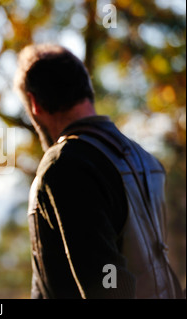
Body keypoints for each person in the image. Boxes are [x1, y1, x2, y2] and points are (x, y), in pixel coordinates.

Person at [14, 43, 183, 299]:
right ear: (87, 91)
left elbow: (106, 284)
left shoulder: (65, 164)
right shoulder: (147, 160)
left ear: (34, 104)